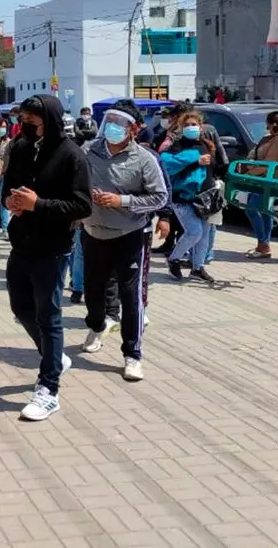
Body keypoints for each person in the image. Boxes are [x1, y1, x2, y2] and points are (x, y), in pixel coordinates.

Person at [2, 95, 92, 422]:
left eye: (32, 121)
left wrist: (38, 205)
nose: (25, 125)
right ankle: (54, 358)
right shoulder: (21, 148)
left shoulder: (71, 155)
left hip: (52, 247)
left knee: (48, 316)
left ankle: (49, 389)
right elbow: (9, 186)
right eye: (23, 119)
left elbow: (82, 206)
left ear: (50, 121)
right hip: (21, 242)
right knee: (20, 307)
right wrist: (11, 201)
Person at [79, 101, 168, 382]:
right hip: (93, 232)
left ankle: (132, 354)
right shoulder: (88, 151)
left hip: (129, 235)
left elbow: (160, 197)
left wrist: (123, 201)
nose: (114, 128)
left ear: (134, 129)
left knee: (130, 297)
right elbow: (73, 182)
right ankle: (97, 325)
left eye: (121, 124)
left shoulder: (144, 159)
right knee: (93, 291)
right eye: (111, 122)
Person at [160, 111, 218, 283]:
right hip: (182, 198)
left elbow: (216, 167)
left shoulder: (206, 145)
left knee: (204, 234)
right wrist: (194, 161)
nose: (190, 128)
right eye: (186, 125)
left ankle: (197, 268)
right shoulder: (176, 147)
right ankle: (173, 259)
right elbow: (167, 165)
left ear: (201, 127)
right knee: (194, 232)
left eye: (194, 125)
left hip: (205, 197)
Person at [241, 110, 278, 258]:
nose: (266, 125)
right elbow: (253, 153)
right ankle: (264, 245)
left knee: (252, 208)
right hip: (257, 178)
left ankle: (263, 244)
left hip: (267, 179)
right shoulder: (266, 137)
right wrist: (250, 165)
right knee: (265, 210)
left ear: (274, 124)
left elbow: (270, 162)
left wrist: (251, 170)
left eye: (268, 122)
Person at [0, 118, 13, 235]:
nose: (3, 129)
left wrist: (3, 170)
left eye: (5, 127)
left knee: (3, 201)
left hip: (4, 175)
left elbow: (8, 159)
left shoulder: (8, 142)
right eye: (1, 127)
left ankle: (5, 228)